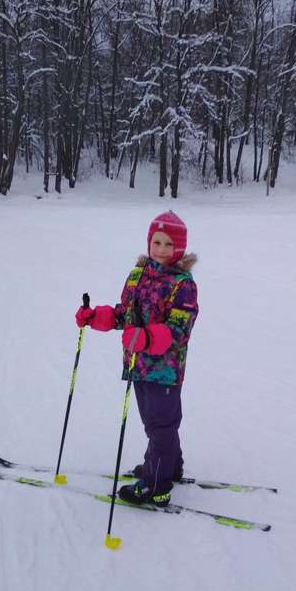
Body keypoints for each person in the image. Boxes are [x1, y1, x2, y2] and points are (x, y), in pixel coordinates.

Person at [75, 210, 198, 507]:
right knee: (157, 423)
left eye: (169, 244)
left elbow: (179, 328)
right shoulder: (137, 275)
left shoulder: (183, 284)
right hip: (137, 364)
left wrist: (147, 338)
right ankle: (170, 464)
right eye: (157, 242)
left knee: (160, 425)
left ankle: (157, 485)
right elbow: (125, 314)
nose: (162, 249)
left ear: (179, 248)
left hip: (165, 370)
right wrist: (96, 317)